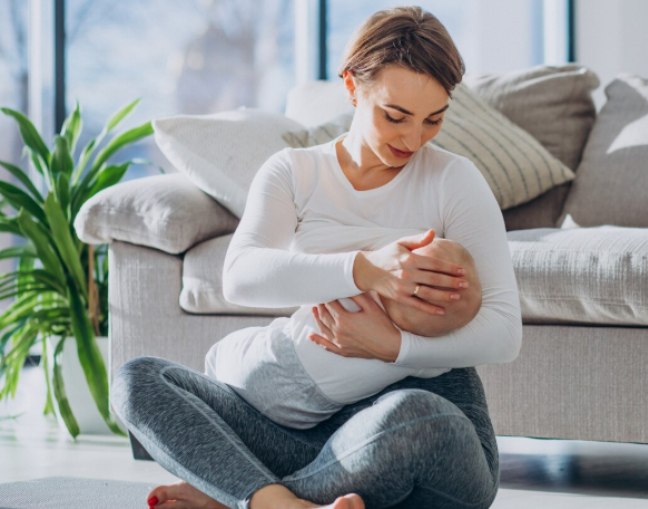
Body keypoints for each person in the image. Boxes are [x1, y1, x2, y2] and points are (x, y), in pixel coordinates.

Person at [111, 6, 521, 509]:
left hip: (416, 431)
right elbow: (240, 275)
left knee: (415, 418)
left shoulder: (455, 181)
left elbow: (504, 333)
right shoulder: (297, 172)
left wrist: (393, 345)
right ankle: (279, 503)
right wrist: (365, 270)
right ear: (352, 87)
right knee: (138, 380)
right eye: (395, 116)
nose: (413, 140)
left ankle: (243, 496)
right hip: (301, 432)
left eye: (433, 120)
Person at [205, 236, 483, 430]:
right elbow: (446, 360)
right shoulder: (422, 362)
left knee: (217, 357)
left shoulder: (356, 295)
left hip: (272, 357)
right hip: (301, 415)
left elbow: (314, 277)